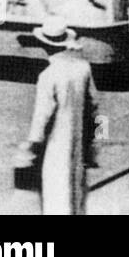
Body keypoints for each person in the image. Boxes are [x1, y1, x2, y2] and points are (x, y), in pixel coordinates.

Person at [20, 17, 98, 215]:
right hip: (79, 144)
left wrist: (32, 146)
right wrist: (97, 142)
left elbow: (42, 117)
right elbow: (96, 107)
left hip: (55, 146)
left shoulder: (48, 75)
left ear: (46, 45)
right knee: (76, 192)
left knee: (57, 194)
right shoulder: (83, 68)